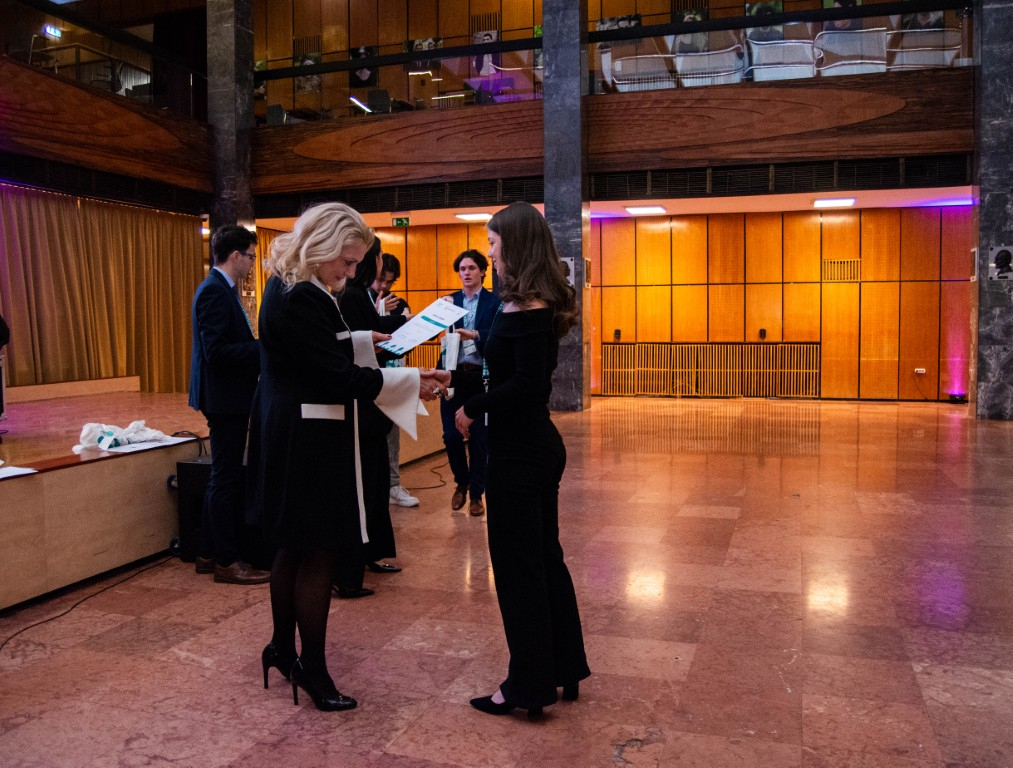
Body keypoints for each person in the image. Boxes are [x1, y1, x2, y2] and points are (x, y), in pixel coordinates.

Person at [247, 202, 439, 711]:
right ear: (322, 246)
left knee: (292, 546)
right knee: (319, 550)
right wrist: (412, 380)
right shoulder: (304, 296)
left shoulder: (288, 284)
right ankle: (312, 668)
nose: (351, 273)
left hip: (290, 429)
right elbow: (333, 376)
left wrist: (357, 338)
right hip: (308, 437)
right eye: (348, 261)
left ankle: (281, 647)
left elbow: (313, 350)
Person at [430, 202, 590, 717]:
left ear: (515, 246)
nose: (491, 254)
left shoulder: (525, 309)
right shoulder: (532, 304)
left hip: (519, 454)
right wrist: (454, 380)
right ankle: (564, 666)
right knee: (544, 559)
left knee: (519, 570)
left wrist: (471, 407)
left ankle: (527, 685)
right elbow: (503, 373)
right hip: (535, 447)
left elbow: (524, 385)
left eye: (494, 244)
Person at [188, 225, 270, 585]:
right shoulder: (214, 291)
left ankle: (207, 553)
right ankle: (226, 561)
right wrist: (263, 347)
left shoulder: (222, 289)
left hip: (228, 396)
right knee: (226, 478)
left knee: (223, 476)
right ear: (235, 255)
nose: (252, 263)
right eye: (250, 256)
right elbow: (216, 352)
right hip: (224, 399)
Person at [332, 238, 406, 598]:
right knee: (365, 483)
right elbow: (352, 344)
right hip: (359, 401)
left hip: (368, 399)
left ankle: (372, 551)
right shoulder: (348, 295)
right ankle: (356, 560)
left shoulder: (357, 294)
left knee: (375, 480)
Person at [439, 250, 501, 517]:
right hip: (453, 374)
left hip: (480, 377)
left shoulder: (494, 302)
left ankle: (476, 494)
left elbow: (497, 335)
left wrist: (475, 334)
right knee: (451, 435)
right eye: (462, 269)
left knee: (479, 439)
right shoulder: (449, 302)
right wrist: (438, 312)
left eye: (472, 268)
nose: (466, 273)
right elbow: (435, 333)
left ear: (483, 271)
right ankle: (461, 482)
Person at [369, 253, 419, 508]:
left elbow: (405, 341)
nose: (384, 286)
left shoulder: (400, 303)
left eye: (390, 282)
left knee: (392, 431)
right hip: (370, 375)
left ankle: (393, 484)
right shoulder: (359, 299)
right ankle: (375, 485)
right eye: (380, 280)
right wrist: (380, 314)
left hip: (394, 371)